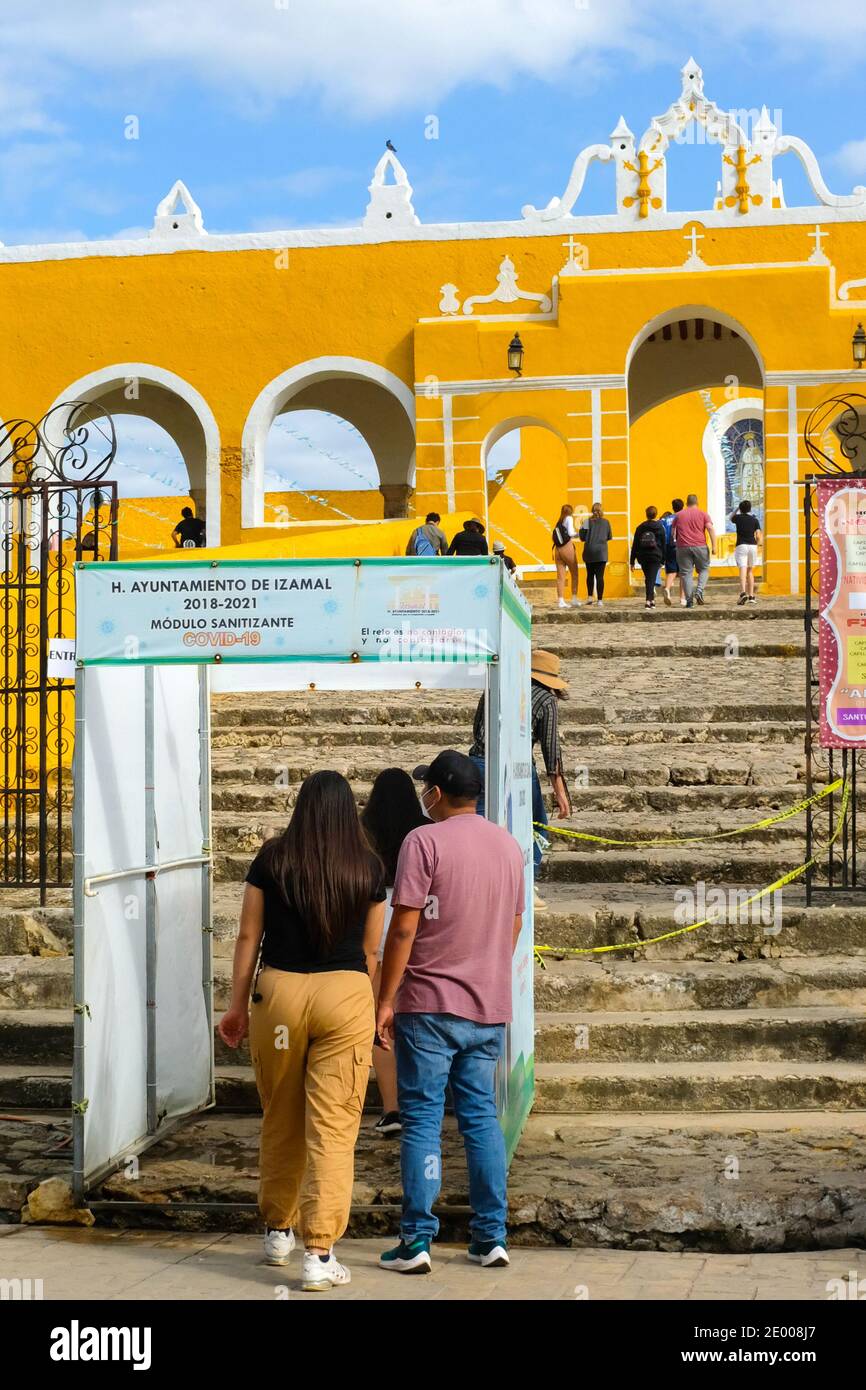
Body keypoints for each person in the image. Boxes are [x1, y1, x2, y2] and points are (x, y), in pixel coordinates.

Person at [218, 770, 386, 1292]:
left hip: (281, 996)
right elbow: (371, 952)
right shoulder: (369, 865)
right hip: (344, 994)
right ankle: (320, 1253)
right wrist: (368, 1004)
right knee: (334, 1125)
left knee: (282, 1111)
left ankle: (277, 1230)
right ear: (348, 810)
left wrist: (236, 1005)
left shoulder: (272, 858)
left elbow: (249, 934)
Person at [375, 750, 525, 1276]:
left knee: (421, 1120)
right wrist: (487, 970)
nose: (424, 797)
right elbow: (513, 923)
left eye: (427, 789)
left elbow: (403, 928)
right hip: (486, 1006)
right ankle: (491, 1237)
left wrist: (386, 999)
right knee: (481, 1118)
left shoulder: (423, 841)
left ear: (436, 793)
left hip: (430, 1005)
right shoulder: (508, 846)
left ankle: (416, 1240)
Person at [468, 647, 571, 911]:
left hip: (480, 762)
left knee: (479, 826)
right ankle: (527, 885)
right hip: (519, 768)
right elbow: (551, 750)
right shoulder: (545, 701)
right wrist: (560, 793)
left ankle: (476, 886)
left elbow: (477, 728)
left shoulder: (495, 688)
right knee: (536, 825)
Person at [360, 767, 427, 1137]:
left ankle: (391, 1108)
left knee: (380, 1025)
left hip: (375, 921)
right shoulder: (424, 828)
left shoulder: (362, 829)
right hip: (413, 920)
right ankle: (420, 1103)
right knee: (415, 1020)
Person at [671, 493, 716, 608]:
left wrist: (675, 540)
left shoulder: (679, 515)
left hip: (682, 547)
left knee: (686, 574)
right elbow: (710, 528)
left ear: (687, 503)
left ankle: (689, 601)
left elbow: (673, 532)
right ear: (697, 503)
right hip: (700, 546)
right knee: (704, 569)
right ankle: (699, 590)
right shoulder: (703, 514)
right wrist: (714, 546)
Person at [630, 506, 667, 610]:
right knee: (651, 578)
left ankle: (651, 600)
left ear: (646, 514)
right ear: (656, 514)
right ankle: (649, 601)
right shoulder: (660, 527)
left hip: (643, 556)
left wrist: (632, 561)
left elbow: (635, 545)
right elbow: (664, 544)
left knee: (649, 578)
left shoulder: (640, 527)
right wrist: (663, 559)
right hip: (656, 556)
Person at [578, 502, 613, 607]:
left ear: (592, 510)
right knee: (600, 576)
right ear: (601, 511)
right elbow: (609, 537)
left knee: (589, 575)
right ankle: (600, 600)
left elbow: (582, 538)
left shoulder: (586, 522)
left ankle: (589, 597)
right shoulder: (606, 522)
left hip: (589, 551)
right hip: (601, 552)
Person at [731, 500, 762, 605]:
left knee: (742, 569)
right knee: (750, 571)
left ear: (741, 509)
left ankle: (743, 593)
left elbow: (731, 517)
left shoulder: (738, 518)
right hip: (752, 546)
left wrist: (736, 509)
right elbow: (758, 535)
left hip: (741, 545)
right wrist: (758, 543)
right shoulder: (754, 520)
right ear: (750, 508)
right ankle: (752, 596)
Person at [552, 504, 581, 609]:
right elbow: (570, 533)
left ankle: (561, 600)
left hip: (557, 549)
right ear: (571, 511)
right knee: (574, 573)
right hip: (567, 547)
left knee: (560, 576)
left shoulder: (559, 520)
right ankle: (573, 598)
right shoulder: (569, 518)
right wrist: (578, 534)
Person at [661, 500, 685, 607]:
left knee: (672, 571)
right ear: (682, 507)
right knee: (683, 573)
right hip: (682, 546)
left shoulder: (665, 519)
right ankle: (682, 598)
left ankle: (667, 588)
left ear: (673, 507)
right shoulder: (683, 517)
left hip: (669, 546)